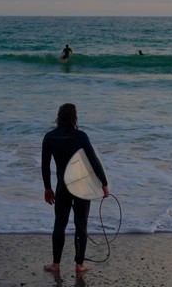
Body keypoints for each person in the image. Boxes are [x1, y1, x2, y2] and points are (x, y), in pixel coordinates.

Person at [41, 103, 109, 274]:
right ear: (74, 117)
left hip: (62, 186)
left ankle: (55, 265)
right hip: (82, 186)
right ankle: (79, 265)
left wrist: (48, 188)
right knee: (81, 225)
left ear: (58, 116)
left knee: (59, 224)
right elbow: (94, 160)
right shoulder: (80, 136)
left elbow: (45, 165)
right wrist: (104, 183)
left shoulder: (49, 137)